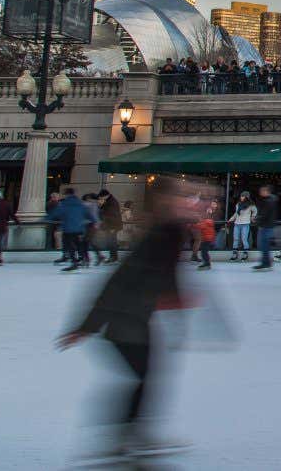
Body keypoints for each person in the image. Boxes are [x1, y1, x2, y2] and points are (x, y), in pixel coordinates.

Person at [56, 180, 191, 462]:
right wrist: (86, 327)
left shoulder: (167, 234)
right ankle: (126, 436)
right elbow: (120, 282)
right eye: (180, 197)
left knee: (144, 377)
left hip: (133, 317)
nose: (188, 203)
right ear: (165, 203)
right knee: (143, 377)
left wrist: (174, 296)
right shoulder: (163, 235)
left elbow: (167, 274)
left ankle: (128, 434)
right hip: (125, 319)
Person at [46, 188, 91, 272]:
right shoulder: (80, 203)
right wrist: (95, 221)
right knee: (79, 244)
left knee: (69, 245)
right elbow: (87, 213)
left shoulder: (65, 204)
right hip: (80, 228)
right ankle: (82, 259)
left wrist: (46, 218)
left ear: (67, 194)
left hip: (69, 228)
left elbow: (56, 213)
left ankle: (74, 262)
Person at [253, 185, 279, 271]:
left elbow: (264, 214)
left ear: (266, 192)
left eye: (262, 191)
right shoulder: (269, 200)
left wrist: (257, 220)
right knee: (265, 246)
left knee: (264, 246)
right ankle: (266, 263)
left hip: (266, 226)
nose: (260, 192)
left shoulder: (268, 201)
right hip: (267, 225)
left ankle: (266, 263)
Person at [98, 190, 123, 264]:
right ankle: (113, 257)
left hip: (112, 226)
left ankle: (113, 257)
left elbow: (113, 215)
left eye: (102, 197)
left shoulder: (111, 202)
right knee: (111, 242)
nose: (101, 199)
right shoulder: (110, 201)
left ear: (105, 195)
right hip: (110, 225)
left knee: (111, 242)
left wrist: (113, 227)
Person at [228, 193, 255, 262]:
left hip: (245, 224)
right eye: (241, 196)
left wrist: (252, 217)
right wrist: (231, 218)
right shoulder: (238, 204)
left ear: (246, 197)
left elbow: (255, 211)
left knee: (244, 239)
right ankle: (235, 253)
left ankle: (245, 253)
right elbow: (236, 213)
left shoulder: (251, 205)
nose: (241, 197)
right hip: (237, 223)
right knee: (236, 238)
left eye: (243, 196)